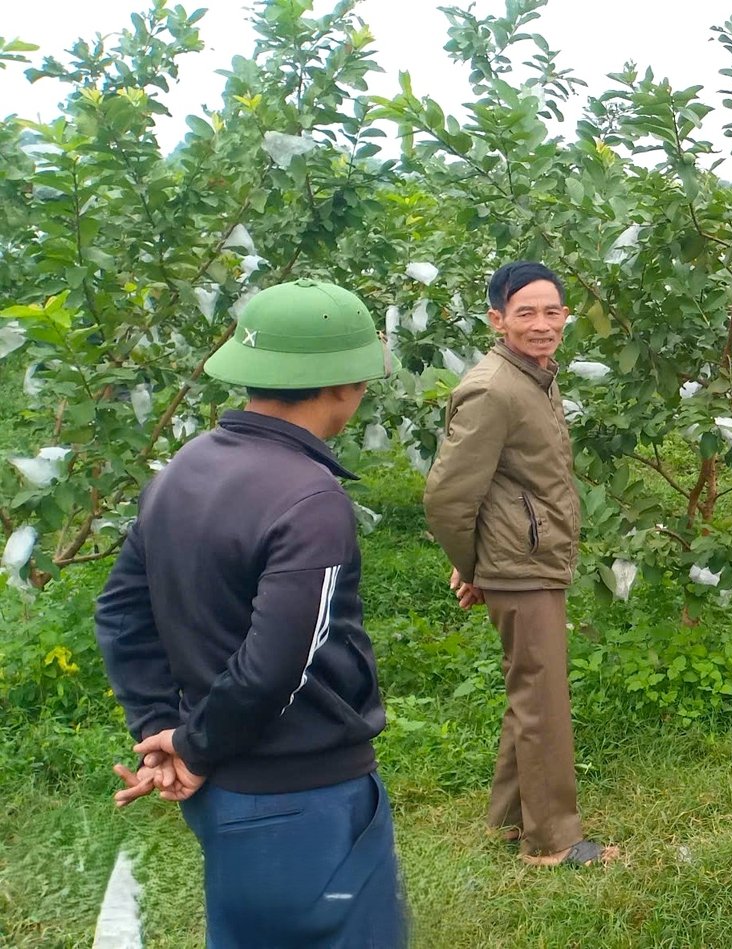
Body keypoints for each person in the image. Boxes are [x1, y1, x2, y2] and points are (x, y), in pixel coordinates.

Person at [96, 279, 407, 947]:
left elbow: (122, 612)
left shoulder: (180, 470)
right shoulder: (309, 499)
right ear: (346, 384)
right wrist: (193, 744)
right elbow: (276, 665)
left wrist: (163, 726)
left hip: (226, 801)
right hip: (305, 798)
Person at [423, 260, 616, 867]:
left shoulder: (534, 376)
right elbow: (448, 495)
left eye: (552, 311)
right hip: (519, 564)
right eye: (525, 312)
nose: (541, 324)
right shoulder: (493, 389)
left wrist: (481, 560)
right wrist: (473, 566)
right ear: (497, 319)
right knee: (543, 700)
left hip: (523, 555)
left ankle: (510, 818)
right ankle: (553, 840)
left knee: (530, 689)